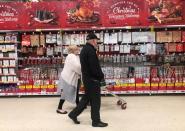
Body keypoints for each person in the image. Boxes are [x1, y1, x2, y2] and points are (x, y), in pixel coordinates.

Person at [68, 33, 108, 127]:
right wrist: (100, 76)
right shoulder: (90, 50)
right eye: (96, 41)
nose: (97, 42)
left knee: (86, 99)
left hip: (87, 79)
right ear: (93, 40)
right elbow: (94, 67)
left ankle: (73, 114)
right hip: (92, 80)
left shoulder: (85, 49)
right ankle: (96, 121)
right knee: (96, 101)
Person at [56, 45, 81, 114]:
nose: (78, 50)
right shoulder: (72, 56)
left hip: (68, 77)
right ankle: (59, 108)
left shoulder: (72, 56)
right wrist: (82, 71)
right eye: (76, 49)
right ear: (73, 50)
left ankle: (79, 105)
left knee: (75, 91)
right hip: (69, 78)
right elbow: (77, 67)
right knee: (65, 93)